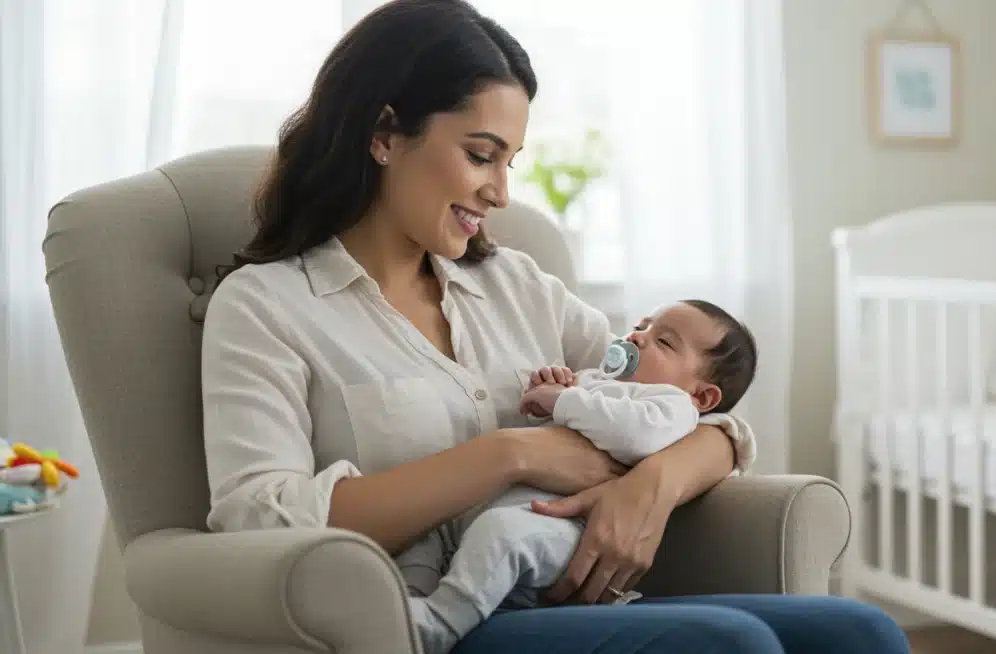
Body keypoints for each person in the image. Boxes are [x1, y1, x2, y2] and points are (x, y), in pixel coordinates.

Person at [200, 1, 911, 653]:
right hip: (428, 622)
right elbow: (259, 523)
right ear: (385, 133)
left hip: (559, 593)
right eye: (480, 155)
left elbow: (702, 413)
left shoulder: (514, 286)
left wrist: (653, 483)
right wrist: (511, 453)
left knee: (860, 630)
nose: (500, 191)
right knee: (734, 645)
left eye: (509, 162)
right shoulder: (266, 306)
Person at [403, 300, 759, 654]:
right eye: (642, 326)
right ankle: (405, 606)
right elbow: (543, 432)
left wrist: (563, 401)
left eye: (664, 342)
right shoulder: (593, 381)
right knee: (425, 532)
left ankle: (441, 623)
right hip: (497, 506)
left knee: (502, 535)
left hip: (567, 528)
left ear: (702, 395)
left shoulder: (672, 406)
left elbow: (634, 436)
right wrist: (546, 394)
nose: (638, 338)